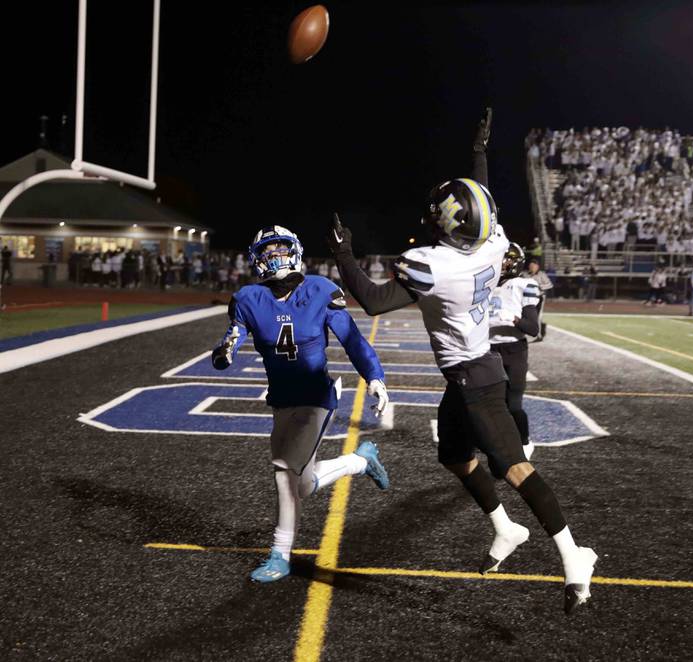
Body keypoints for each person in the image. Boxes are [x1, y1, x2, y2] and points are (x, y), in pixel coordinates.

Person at [327, 109, 597, 614]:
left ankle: (573, 555)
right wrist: (479, 153)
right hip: (470, 374)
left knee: (515, 468)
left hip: (478, 380)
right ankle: (505, 528)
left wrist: (343, 255)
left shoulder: (436, 266)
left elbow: (375, 301)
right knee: (454, 457)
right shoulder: (493, 247)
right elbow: (482, 198)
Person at [211, 225, 390, 583]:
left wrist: (374, 376)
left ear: (295, 252)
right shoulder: (247, 299)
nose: (275, 255)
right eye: (268, 250)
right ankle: (359, 460)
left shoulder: (320, 290)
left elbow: (353, 339)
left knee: (283, 471)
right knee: (302, 484)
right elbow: (230, 341)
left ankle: (280, 554)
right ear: (257, 257)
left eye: (281, 248)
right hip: (282, 399)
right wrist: (225, 349)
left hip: (316, 397)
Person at [488, 242, 541, 460]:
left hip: (514, 350)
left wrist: (512, 318)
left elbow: (533, 329)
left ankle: (524, 441)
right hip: (487, 350)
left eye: (506, 259)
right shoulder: (484, 284)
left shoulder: (523, 285)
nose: (502, 263)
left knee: (513, 403)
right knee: (486, 403)